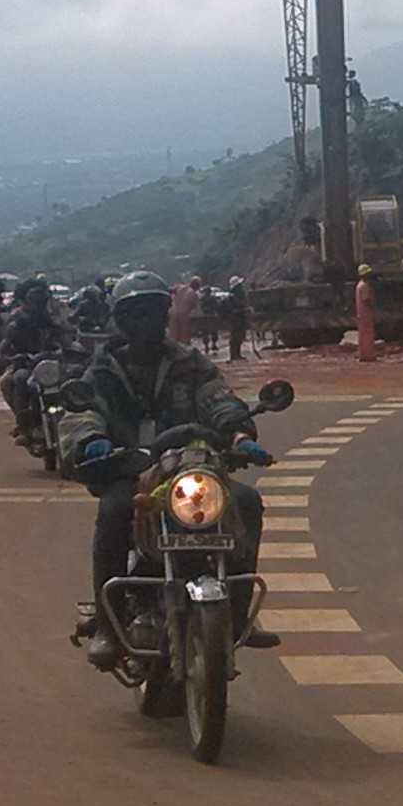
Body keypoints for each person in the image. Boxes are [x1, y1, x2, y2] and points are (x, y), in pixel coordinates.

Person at [59, 272, 279, 660]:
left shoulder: (190, 363)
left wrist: (237, 434)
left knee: (245, 502)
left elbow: (217, 398)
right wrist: (91, 441)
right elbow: (83, 412)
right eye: (135, 314)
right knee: (114, 509)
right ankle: (109, 629)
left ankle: (240, 614)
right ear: (121, 320)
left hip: (188, 468)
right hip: (131, 471)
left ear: (165, 315)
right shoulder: (103, 370)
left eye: (153, 312)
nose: (145, 322)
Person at [0, 283, 75, 450]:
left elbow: (68, 341)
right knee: (19, 379)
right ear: (28, 303)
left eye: (42, 303)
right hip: (26, 366)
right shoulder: (16, 325)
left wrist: (70, 350)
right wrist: (11, 357)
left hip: (50, 366)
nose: (39, 307)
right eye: (35, 303)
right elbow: (0, 352)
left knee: (73, 378)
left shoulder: (52, 322)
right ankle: (24, 424)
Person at [225, 276, 251, 361]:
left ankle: (237, 354)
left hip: (238, 317)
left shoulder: (237, 294)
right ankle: (234, 355)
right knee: (235, 336)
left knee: (239, 336)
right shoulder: (234, 295)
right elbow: (236, 306)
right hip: (236, 318)